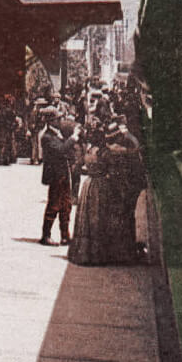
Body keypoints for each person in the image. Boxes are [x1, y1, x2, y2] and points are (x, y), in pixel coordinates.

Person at [69, 116, 148, 266]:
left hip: (89, 185)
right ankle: (111, 254)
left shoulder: (90, 149)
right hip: (102, 186)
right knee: (102, 218)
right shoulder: (107, 152)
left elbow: (78, 167)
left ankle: (87, 252)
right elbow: (114, 168)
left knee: (89, 218)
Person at [38, 108, 79, 246]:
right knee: (54, 204)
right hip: (56, 175)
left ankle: (65, 235)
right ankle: (46, 235)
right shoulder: (47, 137)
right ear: (52, 121)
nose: (61, 121)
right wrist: (73, 138)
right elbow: (61, 150)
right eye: (59, 119)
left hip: (64, 173)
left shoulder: (58, 134)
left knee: (66, 205)